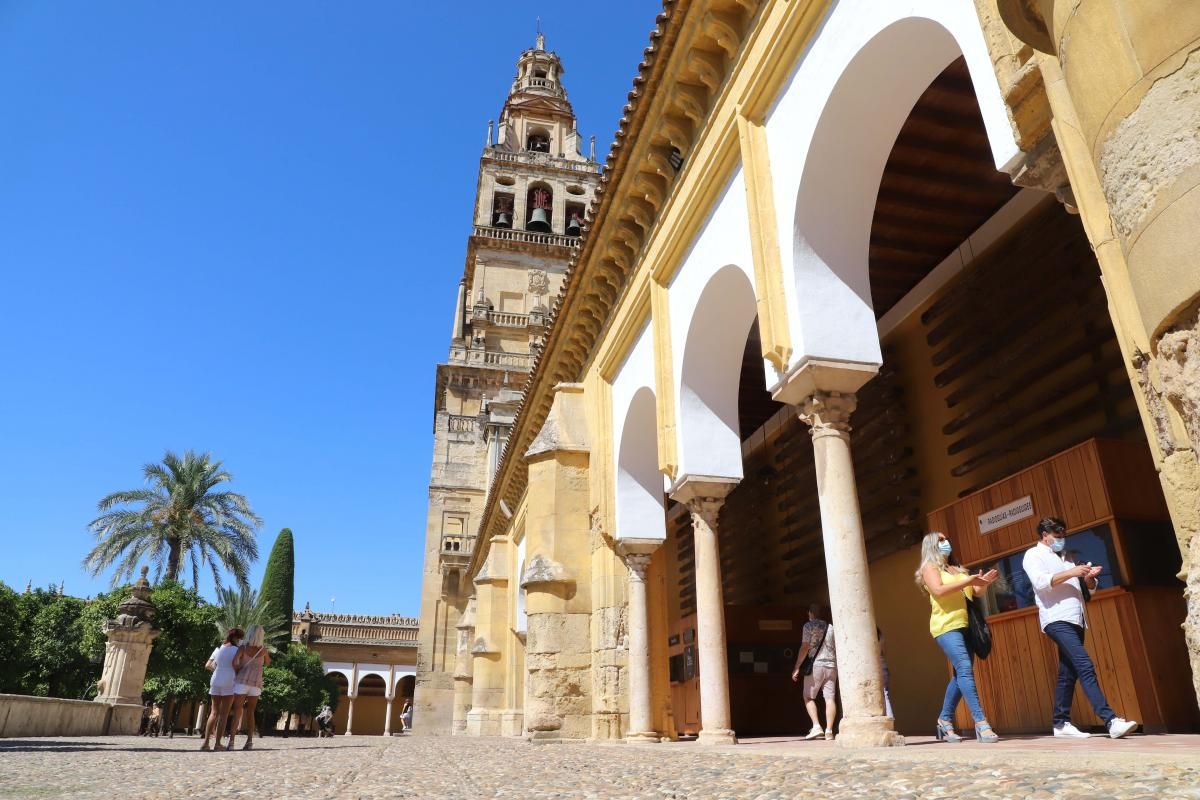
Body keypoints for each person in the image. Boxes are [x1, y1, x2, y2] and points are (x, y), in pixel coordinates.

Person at [1021, 516, 1138, 739]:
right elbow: (1040, 582)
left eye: (1063, 536)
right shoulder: (1033, 555)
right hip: (1056, 618)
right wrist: (1073, 572)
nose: (1061, 540)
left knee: (1069, 672)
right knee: (1084, 664)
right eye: (1057, 536)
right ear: (1044, 535)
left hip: (1077, 619)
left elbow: (1088, 592)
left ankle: (1060, 723)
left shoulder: (1067, 558)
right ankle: (1110, 720)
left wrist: (1089, 579)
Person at [916, 531, 1000, 743]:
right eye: (942, 540)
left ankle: (944, 721)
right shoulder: (929, 568)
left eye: (947, 538)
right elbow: (939, 590)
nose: (947, 542)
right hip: (945, 627)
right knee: (964, 669)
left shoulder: (957, 569)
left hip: (966, 626)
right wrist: (966, 582)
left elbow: (975, 592)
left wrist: (984, 582)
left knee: (960, 674)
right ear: (932, 545)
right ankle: (981, 723)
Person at [790, 603, 838, 740]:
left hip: (816, 666)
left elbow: (805, 647)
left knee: (808, 697)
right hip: (831, 666)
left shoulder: (808, 626)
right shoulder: (831, 628)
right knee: (830, 698)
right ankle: (829, 731)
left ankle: (816, 726)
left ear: (811, 613)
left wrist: (797, 666)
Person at [228, 624, 271, 750]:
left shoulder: (243, 648)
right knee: (251, 712)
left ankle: (231, 742)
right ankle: (249, 742)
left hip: (242, 681)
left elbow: (234, 662)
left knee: (237, 711)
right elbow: (268, 663)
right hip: (256, 683)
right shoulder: (263, 650)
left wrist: (238, 671)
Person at [201, 627, 244, 751]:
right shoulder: (237, 650)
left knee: (213, 712)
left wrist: (218, 670)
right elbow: (238, 666)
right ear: (237, 638)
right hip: (229, 681)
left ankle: (205, 743)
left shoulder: (219, 649)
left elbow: (207, 665)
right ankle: (218, 743)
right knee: (224, 714)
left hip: (215, 680)